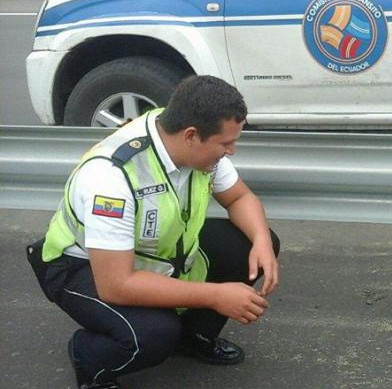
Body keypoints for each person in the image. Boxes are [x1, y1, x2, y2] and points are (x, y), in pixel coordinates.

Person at [26, 75, 280, 389]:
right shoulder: (111, 177)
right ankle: (90, 359)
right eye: (226, 143)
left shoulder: (189, 140)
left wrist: (263, 241)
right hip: (83, 267)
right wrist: (216, 296)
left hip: (153, 253)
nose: (232, 151)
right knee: (154, 334)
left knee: (248, 243)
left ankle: (193, 337)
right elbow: (116, 285)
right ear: (191, 136)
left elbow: (239, 197)